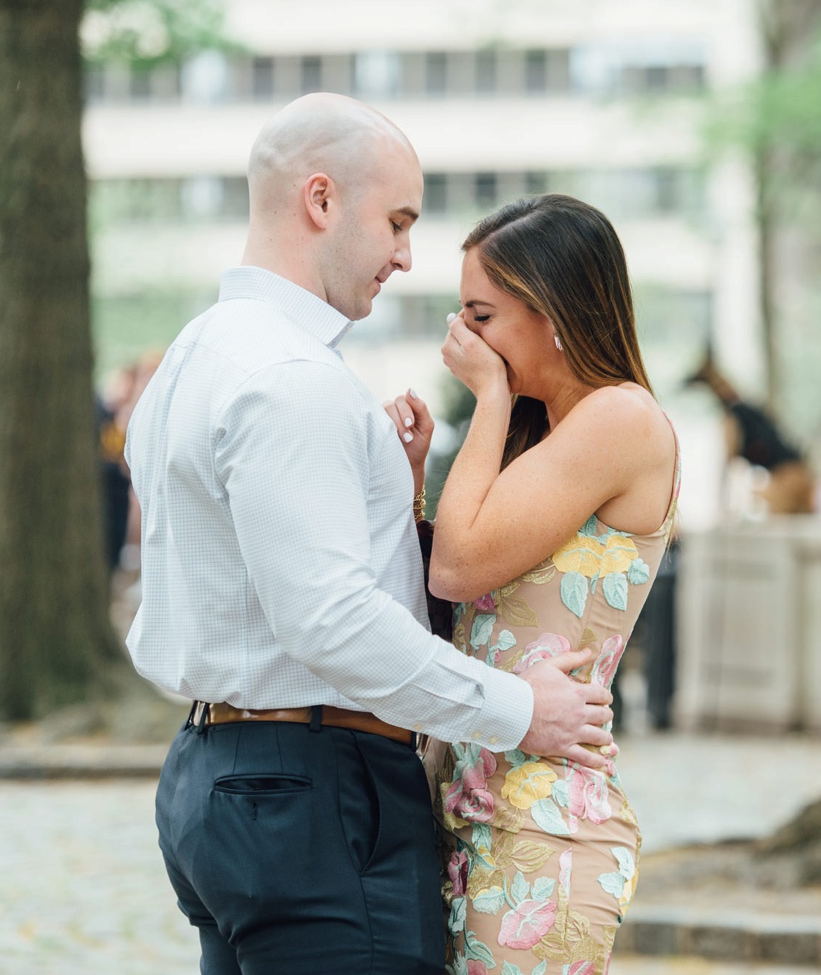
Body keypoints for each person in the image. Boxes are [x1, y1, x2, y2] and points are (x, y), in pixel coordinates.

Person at [123, 94, 616, 975]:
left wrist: (400, 486)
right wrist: (519, 710)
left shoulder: (194, 357)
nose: (404, 254)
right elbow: (331, 620)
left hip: (217, 775)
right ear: (320, 201)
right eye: (396, 220)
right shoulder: (291, 376)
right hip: (316, 794)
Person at [384, 194, 678, 974]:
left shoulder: (621, 419)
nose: (462, 337)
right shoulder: (539, 433)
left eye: (481, 315)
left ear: (552, 312)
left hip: (541, 832)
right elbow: (449, 599)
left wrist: (487, 397)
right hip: (462, 809)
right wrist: (418, 478)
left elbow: (457, 563)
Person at [684, 354, 815, 514]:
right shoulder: (749, 412)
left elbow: (729, 461)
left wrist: (721, 504)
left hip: (787, 479)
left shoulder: (734, 418)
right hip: (798, 473)